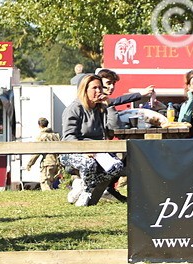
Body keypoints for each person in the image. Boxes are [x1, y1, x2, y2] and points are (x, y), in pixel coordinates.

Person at [61, 74, 126, 207]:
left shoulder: (101, 108)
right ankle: (86, 193)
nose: (99, 91)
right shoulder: (74, 109)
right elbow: (68, 137)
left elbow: (116, 128)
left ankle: (83, 185)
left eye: (100, 88)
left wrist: (110, 105)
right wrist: (84, 150)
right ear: (85, 90)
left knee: (117, 166)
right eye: (94, 88)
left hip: (99, 151)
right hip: (73, 151)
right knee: (89, 163)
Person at [24, 117, 64, 191]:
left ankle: (48, 200)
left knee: (45, 183)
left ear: (39, 125)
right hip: (57, 162)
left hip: (47, 162)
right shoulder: (55, 135)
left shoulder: (42, 136)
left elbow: (36, 152)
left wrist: (30, 164)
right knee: (51, 183)